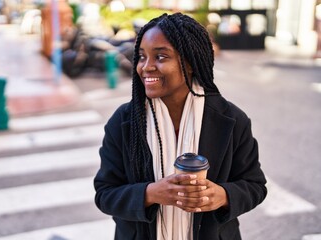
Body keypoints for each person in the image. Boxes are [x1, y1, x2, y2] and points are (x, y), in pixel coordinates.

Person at [94, 12, 267, 240]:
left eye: (161, 57)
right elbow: (105, 194)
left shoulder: (231, 120)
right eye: (142, 56)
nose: (146, 67)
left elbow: (255, 185)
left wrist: (223, 196)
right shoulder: (124, 121)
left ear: (190, 63)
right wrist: (149, 194)